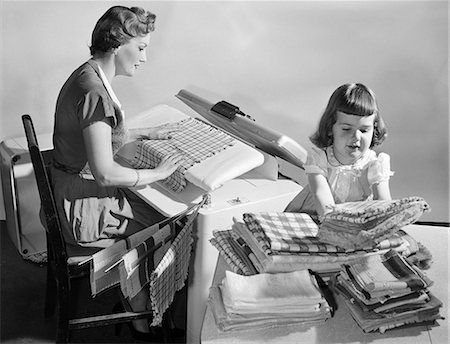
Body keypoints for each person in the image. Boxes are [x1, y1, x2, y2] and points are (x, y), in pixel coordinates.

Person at [51, 5, 183, 340]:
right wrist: (157, 173)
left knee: (155, 212)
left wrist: (142, 135)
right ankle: (140, 312)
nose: (144, 58)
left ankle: (135, 295)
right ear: (116, 45)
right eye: (140, 48)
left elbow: (94, 135)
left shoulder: (88, 74)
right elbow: (105, 174)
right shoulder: (95, 91)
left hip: (69, 191)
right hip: (82, 208)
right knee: (171, 224)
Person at [285, 83, 393, 218]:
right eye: (347, 129)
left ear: (374, 129)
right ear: (331, 128)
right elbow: (322, 196)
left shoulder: (375, 164)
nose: (356, 137)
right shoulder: (320, 160)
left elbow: (383, 201)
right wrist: (336, 225)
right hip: (314, 214)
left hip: (353, 220)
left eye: (364, 130)